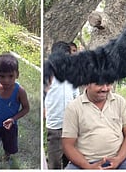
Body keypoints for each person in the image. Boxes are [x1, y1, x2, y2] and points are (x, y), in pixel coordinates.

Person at [62, 82, 126, 169]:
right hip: (85, 162)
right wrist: (88, 167)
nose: (105, 89)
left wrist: (118, 159)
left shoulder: (119, 102)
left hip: (121, 159)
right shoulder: (74, 107)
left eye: (108, 84)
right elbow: (68, 145)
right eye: (99, 84)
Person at [44, 41, 79, 169]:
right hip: (55, 124)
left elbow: (76, 95)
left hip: (71, 124)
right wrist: (43, 109)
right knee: (55, 159)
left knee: (70, 157)